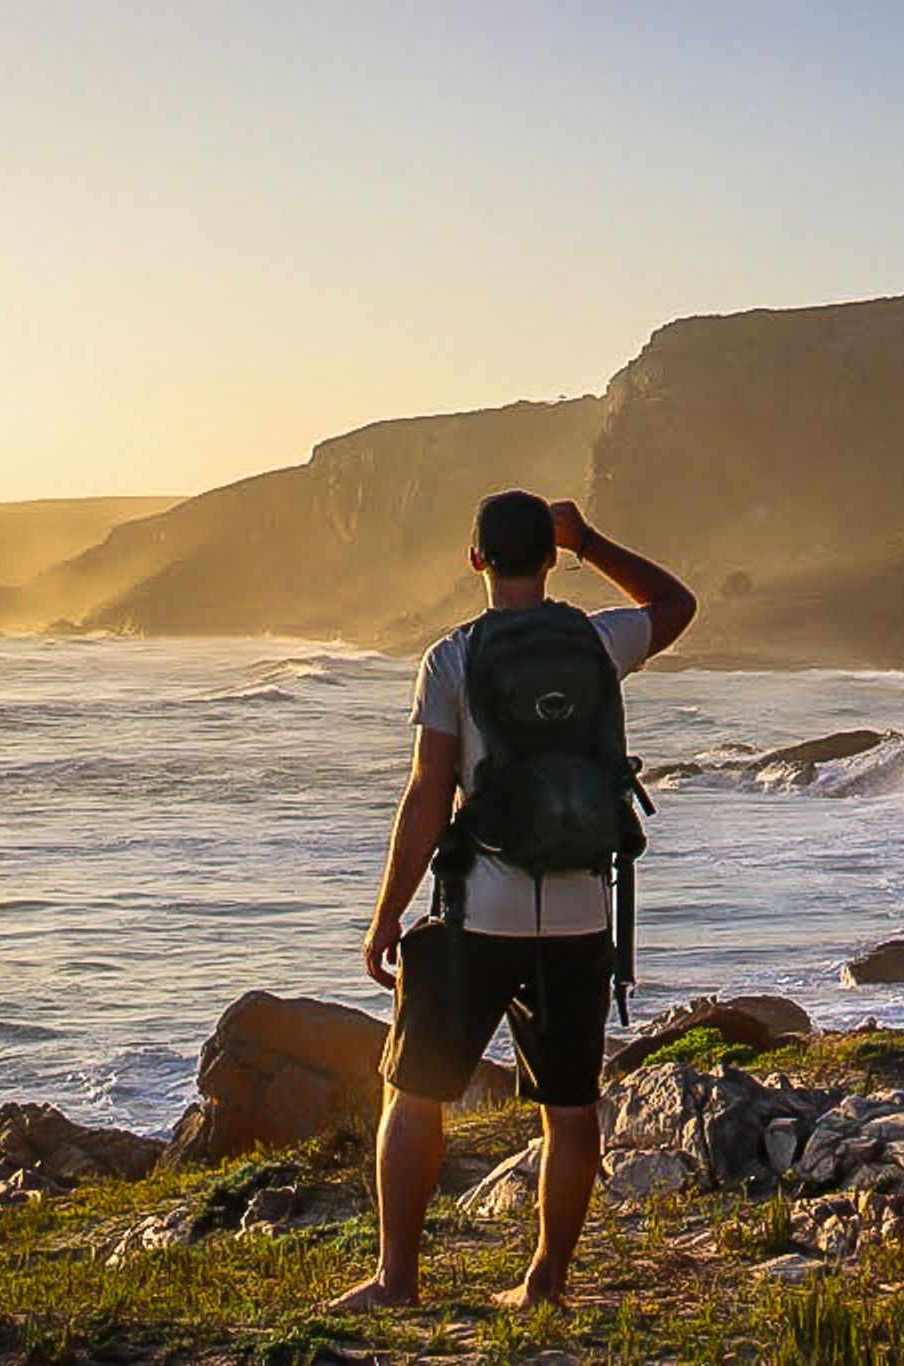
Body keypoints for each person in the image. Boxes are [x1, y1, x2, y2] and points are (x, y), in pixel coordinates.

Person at [331, 490, 696, 1312]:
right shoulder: (600, 642)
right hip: (580, 912)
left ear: (476, 561)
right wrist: (592, 540)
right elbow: (677, 604)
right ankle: (546, 1284)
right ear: (549, 553)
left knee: (414, 1093)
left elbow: (429, 796)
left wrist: (387, 911)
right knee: (570, 1111)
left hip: (478, 912)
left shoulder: (453, 659)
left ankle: (396, 1281)